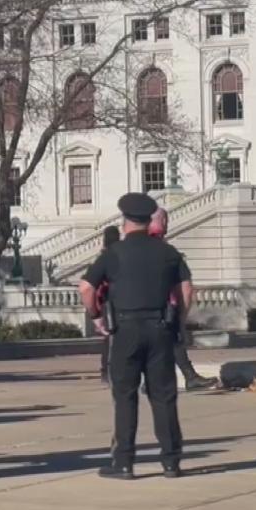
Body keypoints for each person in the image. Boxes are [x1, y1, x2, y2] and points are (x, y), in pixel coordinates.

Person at [80, 193, 191, 480]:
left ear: (125, 220)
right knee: (164, 397)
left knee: (125, 396)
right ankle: (171, 461)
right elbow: (187, 290)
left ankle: (125, 462)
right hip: (160, 327)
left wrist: (96, 316)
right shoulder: (168, 252)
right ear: (149, 220)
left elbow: (86, 288)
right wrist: (179, 320)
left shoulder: (113, 253)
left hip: (126, 329)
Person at [149, 208, 219, 391]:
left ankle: (148, 381)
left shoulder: (129, 249)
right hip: (164, 306)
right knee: (175, 341)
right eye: (166, 220)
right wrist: (182, 314)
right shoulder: (168, 251)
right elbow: (186, 288)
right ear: (163, 222)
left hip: (134, 309)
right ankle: (190, 377)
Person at [95, 225, 122, 386]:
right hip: (120, 300)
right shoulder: (122, 255)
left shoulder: (103, 257)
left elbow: (94, 285)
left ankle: (106, 371)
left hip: (107, 302)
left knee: (108, 339)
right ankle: (111, 371)